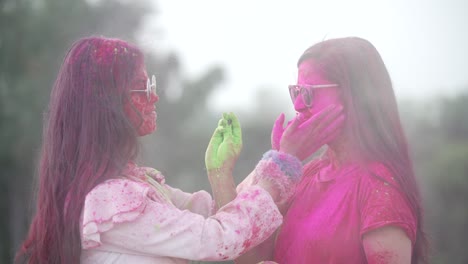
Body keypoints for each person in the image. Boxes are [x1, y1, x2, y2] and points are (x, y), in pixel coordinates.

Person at [15, 36, 340, 264]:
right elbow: (217, 238)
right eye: (145, 88)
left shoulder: (129, 184)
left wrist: (222, 172)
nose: (155, 97)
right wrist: (284, 162)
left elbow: (214, 215)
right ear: (108, 105)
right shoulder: (111, 202)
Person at [236, 37, 429, 264]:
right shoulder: (308, 173)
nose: (297, 105)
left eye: (307, 92)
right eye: (296, 92)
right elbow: (247, 255)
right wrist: (280, 162)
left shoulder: (380, 188)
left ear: (352, 96)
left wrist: (283, 162)